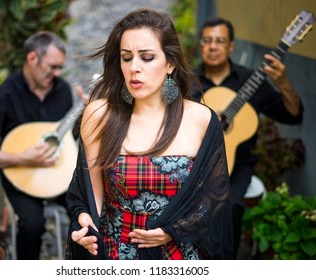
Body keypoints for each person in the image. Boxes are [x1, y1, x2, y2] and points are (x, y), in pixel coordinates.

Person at [65, 9, 233, 260]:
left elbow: (214, 199)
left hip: (180, 257)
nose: (134, 68)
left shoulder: (201, 119)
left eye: (147, 57)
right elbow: (91, 196)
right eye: (126, 57)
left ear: (170, 63)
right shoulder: (99, 115)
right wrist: (85, 223)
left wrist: (173, 230)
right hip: (115, 256)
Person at [0, 31, 86, 259]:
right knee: (32, 225)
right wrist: (23, 158)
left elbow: (67, 138)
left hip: (57, 173)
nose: (58, 73)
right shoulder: (3, 96)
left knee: (86, 214)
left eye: (60, 67)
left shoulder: (61, 90)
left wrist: (85, 116)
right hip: (21, 175)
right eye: (53, 66)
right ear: (32, 58)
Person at [191, 18, 304, 259]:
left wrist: (283, 83)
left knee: (229, 208)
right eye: (207, 40)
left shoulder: (250, 80)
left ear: (231, 46)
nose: (213, 46)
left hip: (236, 165)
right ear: (200, 45)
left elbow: (293, 115)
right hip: (194, 162)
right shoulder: (188, 81)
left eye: (220, 41)